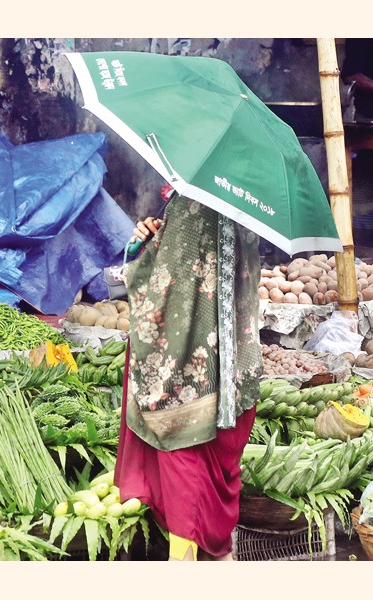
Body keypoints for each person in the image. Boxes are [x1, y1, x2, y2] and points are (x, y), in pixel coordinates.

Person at [113, 188, 262, 561]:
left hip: (189, 378)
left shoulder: (192, 204)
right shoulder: (246, 207)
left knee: (186, 479)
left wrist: (140, 249)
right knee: (213, 507)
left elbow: (159, 288)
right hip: (231, 374)